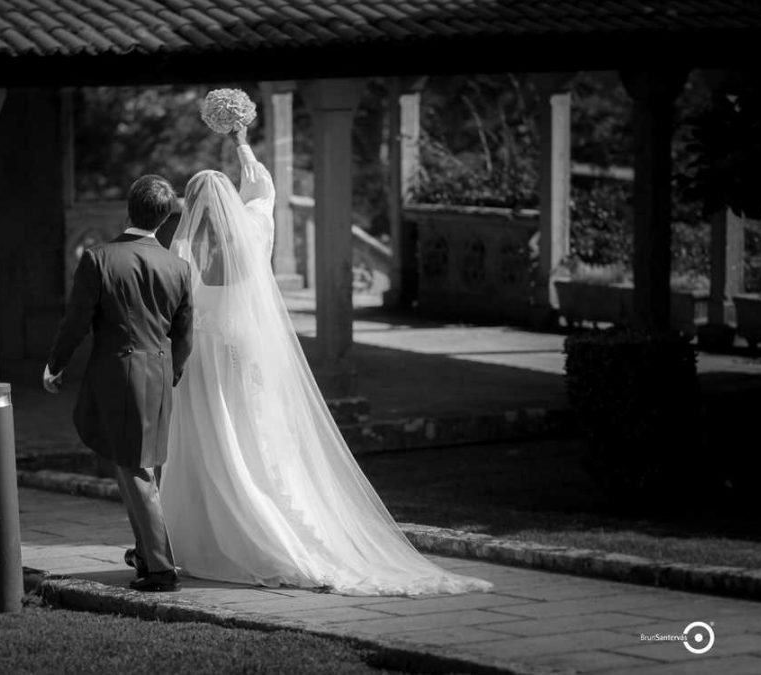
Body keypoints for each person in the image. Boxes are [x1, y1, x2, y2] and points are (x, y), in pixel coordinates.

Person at [159, 126, 492, 596]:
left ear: (191, 208)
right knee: (254, 436)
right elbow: (263, 192)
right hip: (243, 350)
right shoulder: (252, 233)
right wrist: (242, 142)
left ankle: (212, 540)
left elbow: (176, 308)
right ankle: (267, 523)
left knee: (210, 440)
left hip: (201, 358)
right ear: (229, 202)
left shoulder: (181, 250)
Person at [44, 175, 193, 593]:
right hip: (159, 375)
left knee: (136, 469)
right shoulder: (178, 267)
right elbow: (185, 335)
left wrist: (55, 364)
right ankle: (146, 555)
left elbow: (76, 321)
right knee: (140, 467)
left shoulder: (99, 259)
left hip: (120, 377)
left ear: (129, 209)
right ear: (165, 218)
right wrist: (172, 372)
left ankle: (161, 569)